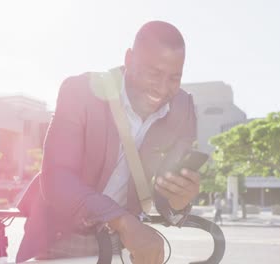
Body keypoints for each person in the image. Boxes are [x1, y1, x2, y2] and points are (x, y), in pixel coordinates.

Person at [15, 21, 200, 264]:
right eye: (154, 73)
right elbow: (57, 178)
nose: (163, 88)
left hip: (124, 242)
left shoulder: (182, 109)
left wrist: (179, 201)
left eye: (174, 78)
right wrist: (121, 220)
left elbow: (164, 200)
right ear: (129, 59)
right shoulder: (81, 91)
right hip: (63, 233)